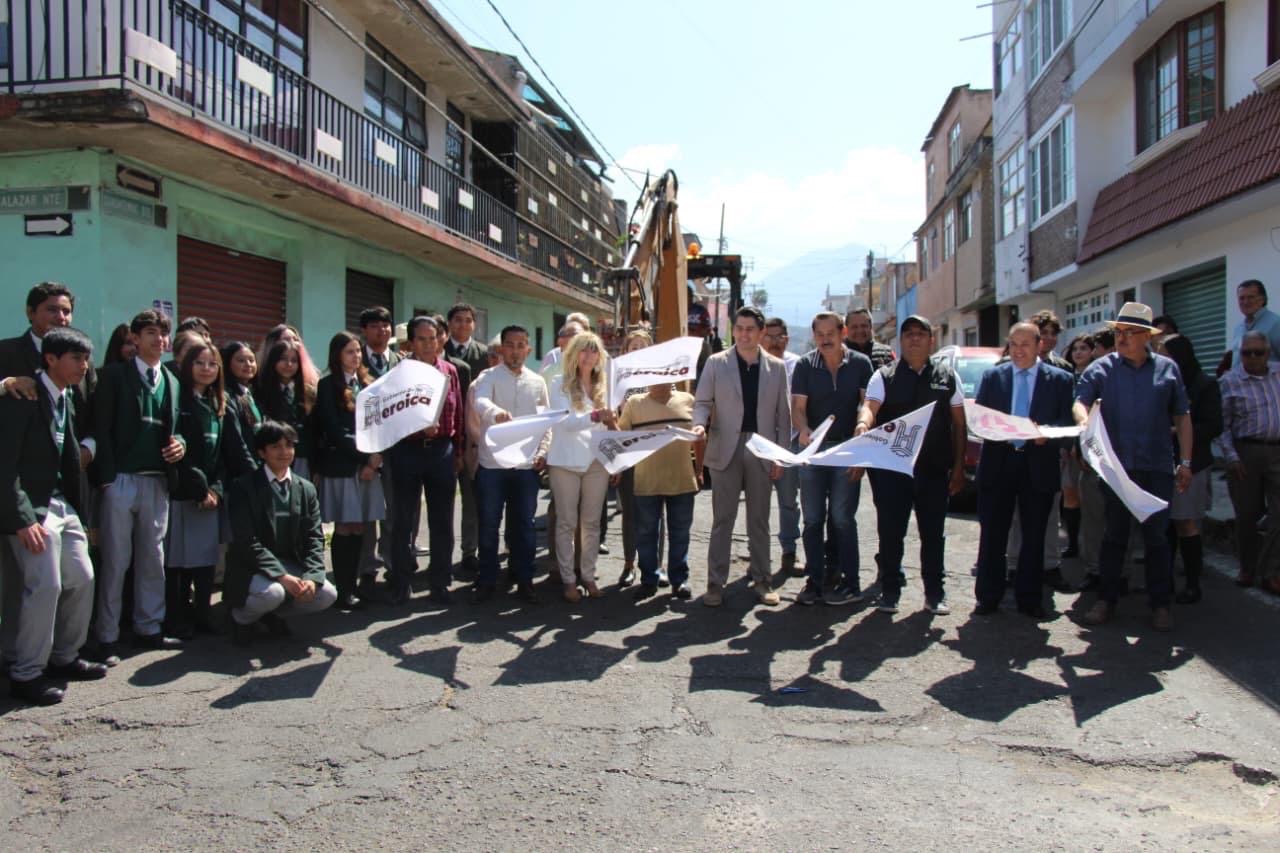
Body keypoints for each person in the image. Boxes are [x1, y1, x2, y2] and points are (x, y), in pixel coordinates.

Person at [0, 327, 107, 704]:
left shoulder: (67, 399)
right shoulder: (23, 397)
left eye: (86, 358)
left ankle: (64, 657)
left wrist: (83, 516)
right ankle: (26, 673)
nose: (84, 366)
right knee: (44, 586)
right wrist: (22, 518)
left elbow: (68, 463)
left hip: (63, 505)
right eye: (76, 358)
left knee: (82, 576)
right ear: (50, 359)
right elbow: (5, 465)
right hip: (30, 509)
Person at [1074, 302, 1191, 632]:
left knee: (1157, 539)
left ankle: (1160, 604)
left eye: (1130, 332)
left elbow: (1182, 416)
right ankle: (1106, 600)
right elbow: (1080, 401)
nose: (1122, 338)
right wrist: (1084, 422)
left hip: (1156, 467)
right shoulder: (1102, 368)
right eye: (1118, 332)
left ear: (1147, 337)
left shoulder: (1168, 369)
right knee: (1114, 536)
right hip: (1116, 468)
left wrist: (1185, 461)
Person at [91, 309, 187, 663]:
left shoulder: (172, 381)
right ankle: (107, 635)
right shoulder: (114, 376)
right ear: (134, 337)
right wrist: (106, 478)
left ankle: (149, 628)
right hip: (121, 479)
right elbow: (101, 428)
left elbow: (178, 430)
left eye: (163, 333)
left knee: (152, 559)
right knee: (116, 561)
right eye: (150, 333)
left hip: (157, 481)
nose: (159, 340)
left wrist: (181, 445)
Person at [855, 314, 966, 616]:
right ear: (901, 341)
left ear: (932, 340)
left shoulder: (948, 376)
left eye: (921, 333)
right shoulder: (884, 376)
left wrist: (958, 467)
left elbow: (959, 423)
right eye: (908, 334)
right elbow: (870, 407)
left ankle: (934, 593)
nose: (914, 338)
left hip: (933, 470)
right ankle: (890, 592)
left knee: (933, 534)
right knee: (891, 532)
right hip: (892, 470)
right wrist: (863, 424)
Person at [971, 323, 1075, 619]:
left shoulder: (1060, 379)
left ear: (1039, 345)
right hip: (999, 462)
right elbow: (980, 420)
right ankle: (988, 597)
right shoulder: (994, 376)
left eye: (1025, 344)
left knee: (1034, 535)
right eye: (1013, 344)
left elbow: (1068, 425)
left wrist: (1047, 434)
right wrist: (993, 427)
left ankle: (1029, 599)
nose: (1018, 350)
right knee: (993, 534)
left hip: (1038, 463)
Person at [691, 306, 791, 608]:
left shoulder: (776, 368)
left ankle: (763, 580)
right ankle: (715, 584)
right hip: (725, 447)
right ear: (732, 330)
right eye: (739, 328)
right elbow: (702, 402)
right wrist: (699, 424)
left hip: (762, 448)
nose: (744, 334)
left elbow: (783, 416)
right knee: (723, 519)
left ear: (761, 333)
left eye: (750, 329)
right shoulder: (716, 363)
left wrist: (780, 456)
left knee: (759, 520)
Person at [165, 340, 254, 638]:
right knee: (177, 562)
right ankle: (177, 618)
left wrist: (215, 488)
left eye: (212, 364)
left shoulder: (220, 403)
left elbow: (226, 453)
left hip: (211, 495)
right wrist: (201, 489)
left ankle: (203, 615)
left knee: (205, 560)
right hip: (183, 492)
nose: (206, 369)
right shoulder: (177, 400)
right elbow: (180, 452)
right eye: (200, 363)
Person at [223, 420, 337, 646]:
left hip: (291, 563)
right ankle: (242, 618)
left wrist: (312, 577)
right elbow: (246, 542)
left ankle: (272, 615)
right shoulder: (243, 487)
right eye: (275, 446)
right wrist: (282, 577)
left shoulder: (306, 488)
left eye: (289, 445)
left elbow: (314, 537)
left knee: (326, 595)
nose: (284, 452)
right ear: (261, 452)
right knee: (273, 593)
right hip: (252, 566)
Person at [791, 312, 873, 606]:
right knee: (813, 519)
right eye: (819, 334)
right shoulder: (804, 365)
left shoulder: (861, 364)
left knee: (842, 518)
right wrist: (803, 429)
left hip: (848, 449)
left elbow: (867, 403)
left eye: (830, 333)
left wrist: (862, 427)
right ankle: (814, 582)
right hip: (813, 452)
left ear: (843, 333)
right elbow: (798, 408)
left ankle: (851, 583)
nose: (825, 339)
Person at [386, 317, 463, 606]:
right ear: (411, 343)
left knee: (442, 521)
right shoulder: (400, 373)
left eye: (433, 338)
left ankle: (440, 582)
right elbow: (393, 416)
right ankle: (401, 581)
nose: (429, 344)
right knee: (403, 520)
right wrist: (418, 429)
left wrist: (458, 451)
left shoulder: (449, 371)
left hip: (441, 452)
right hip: (407, 451)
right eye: (422, 339)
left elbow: (458, 414)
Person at [471, 325, 549, 604]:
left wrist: (543, 451)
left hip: (525, 467)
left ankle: (524, 579)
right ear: (501, 348)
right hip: (492, 465)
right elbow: (480, 401)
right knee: (489, 525)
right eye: (510, 345)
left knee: (524, 525)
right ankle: (487, 580)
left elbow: (545, 421)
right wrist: (495, 413)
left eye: (521, 345)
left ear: (528, 349)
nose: (515, 351)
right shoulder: (488, 377)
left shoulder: (537, 382)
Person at [536, 332, 615, 602]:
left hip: (596, 462)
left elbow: (612, 426)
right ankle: (568, 579)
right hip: (565, 462)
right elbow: (565, 422)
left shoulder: (606, 386)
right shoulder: (559, 383)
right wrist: (596, 415)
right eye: (584, 350)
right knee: (566, 523)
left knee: (591, 523)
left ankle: (588, 576)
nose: (589, 356)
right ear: (572, 353)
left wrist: (611, 423)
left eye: (594, 351)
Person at [314, 331, 385, 611]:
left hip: (368, 467)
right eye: (349, 352)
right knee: (345, 526)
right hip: (343, 465)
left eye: (357, 351)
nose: (355, 356)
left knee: (361, 527)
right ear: (337, 355)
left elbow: (380, 424)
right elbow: (333, 430)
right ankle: (343, 590)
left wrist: (374, 461)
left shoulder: (369, 383)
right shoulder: (327, 385)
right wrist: (365, 457)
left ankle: (354, 585)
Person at [619, 377, 701, 601]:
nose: (658, 380)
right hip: (646, 481)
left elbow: (699, 438)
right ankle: (649, 579)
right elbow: (621, 437)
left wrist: (699, 469)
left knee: (680, 534)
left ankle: (679, 580)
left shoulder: (688, 400)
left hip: (682, 479)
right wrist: (608, 421)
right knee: (646, 534)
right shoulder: (634, 403)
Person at [1160, 334, 1221, 604]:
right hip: (1161, 461)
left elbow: (1214, 425)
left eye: (1165, 354)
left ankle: (1193, 583)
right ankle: (1164, 582)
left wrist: (1180, 431)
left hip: (1191, 464)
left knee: (1185, 522)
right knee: (1164, 526)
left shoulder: (1204, 385)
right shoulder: (1161, 383)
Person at [1217, 330, 1280, 592]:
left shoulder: (1278, 374)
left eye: (1258, 352)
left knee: (1278, 514)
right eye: (1247, 353)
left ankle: (1271, 571)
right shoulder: (1229, 382)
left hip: (1276, 450)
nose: (1253, 357)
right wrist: (1231, 456)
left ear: (1268, 353)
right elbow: (1222, 426)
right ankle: (1248, 567)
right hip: (1245, 453)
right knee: (1247, 515)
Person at [357, 306, 399, 592]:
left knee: (394, 513)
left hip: (396, 451)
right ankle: (366, 568)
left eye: (385, 325)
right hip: (366, 453)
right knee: (367, 514)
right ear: (364, 330)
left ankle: (393, 563)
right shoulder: (354, 360)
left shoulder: (400, 362)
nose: (381, 330)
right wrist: (366, 457)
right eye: (374, 326)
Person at [762, 317, 802, 576]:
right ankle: (759, 555)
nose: (774, 342)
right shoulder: (754, 364)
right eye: (770, 336)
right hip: (761, 442)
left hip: (790, 442)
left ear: (786, 339)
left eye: (779, 337)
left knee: (789, 501)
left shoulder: (798, 365)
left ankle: (789, 552)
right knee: (758, 503)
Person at [614, 330, 653, 587]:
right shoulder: (616, 378)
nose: (638, 350)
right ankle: (629, 563)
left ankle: (654, 564)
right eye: (633, 346)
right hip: (627, 448)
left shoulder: (661, 375)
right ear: (626, 350)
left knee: (654, 512)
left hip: (654, 450)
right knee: (629, 511)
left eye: (643, 346)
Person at [256, 339, 317, 480]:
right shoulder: (262, 390)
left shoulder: (308, 392)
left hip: (301, 455)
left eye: (294, 360)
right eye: (283, 359)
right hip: (272, 455)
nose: (289, 364)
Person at [1059, 333, 1095, 561]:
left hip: (1093, 446)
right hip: (1069, 444)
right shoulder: (1066, 377)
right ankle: (1072, 543)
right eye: (1075, 349)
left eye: (1084, 348)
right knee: (1070, 494)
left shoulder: (1098, 377)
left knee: (1091, 500)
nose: (1079, 352)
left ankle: (1092, 548)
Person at [221, 341, 261, 467]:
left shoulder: (253, 394)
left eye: (251, 360)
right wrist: (253, 470)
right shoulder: (227, 396)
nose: (248, 364)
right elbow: (236, 442)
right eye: (241, 360)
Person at [1225, 280, 1280, 370]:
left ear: (1262, 299)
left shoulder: (1276, 323)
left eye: (1251, 297)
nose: (1245, 302)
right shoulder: (1238, 328)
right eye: (1241, 298)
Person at [257, 324, 320, 394]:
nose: (293, 343)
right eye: (286, 339)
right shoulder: (257, 384)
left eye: (296, 339)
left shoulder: (311, 387)